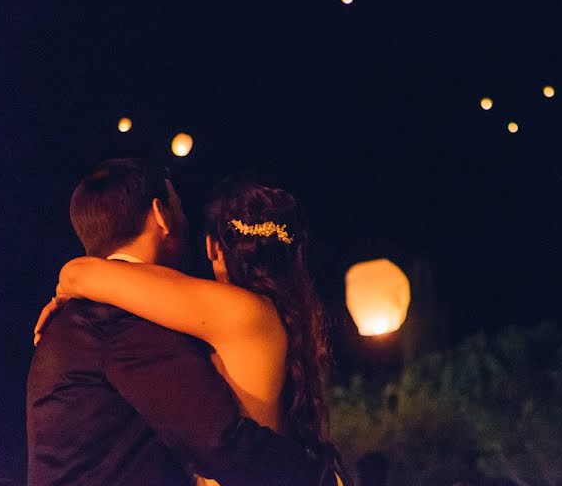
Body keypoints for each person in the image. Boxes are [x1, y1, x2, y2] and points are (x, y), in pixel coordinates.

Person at [28, 159, 339, 486]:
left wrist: (75, 273)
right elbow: (221, 443)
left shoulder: (96, 309)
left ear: (214, 249)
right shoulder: (118, 318)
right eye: (179, 207)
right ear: (161, 215)